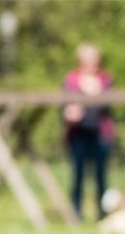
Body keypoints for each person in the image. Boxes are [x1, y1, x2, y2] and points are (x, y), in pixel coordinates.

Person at [62, 43, 116, 221]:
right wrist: (69, 112)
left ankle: (102, 213)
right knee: (78, 175)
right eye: (88, 59)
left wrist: (93, 94)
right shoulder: (72, 79)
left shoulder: (105, 79)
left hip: (100, 133)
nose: (92, 62)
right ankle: (76, 213)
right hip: (78, 133)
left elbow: (107, 104)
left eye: (94, 59)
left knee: (101, 175)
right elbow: (64, 103)